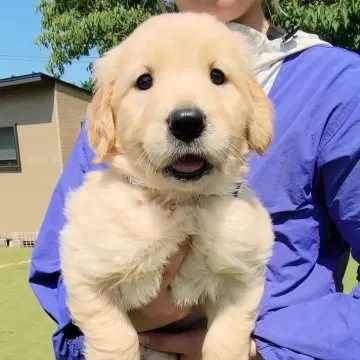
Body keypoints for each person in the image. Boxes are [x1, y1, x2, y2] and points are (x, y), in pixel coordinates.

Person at [29, 0, 360, 359]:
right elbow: (59, 280)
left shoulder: (339, 86)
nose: (185, 112)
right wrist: (119, 335)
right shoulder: (119, 85)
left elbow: (245, 286)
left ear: (254, 107)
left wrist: (258, 349)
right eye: (144, 81)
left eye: (217, 76)